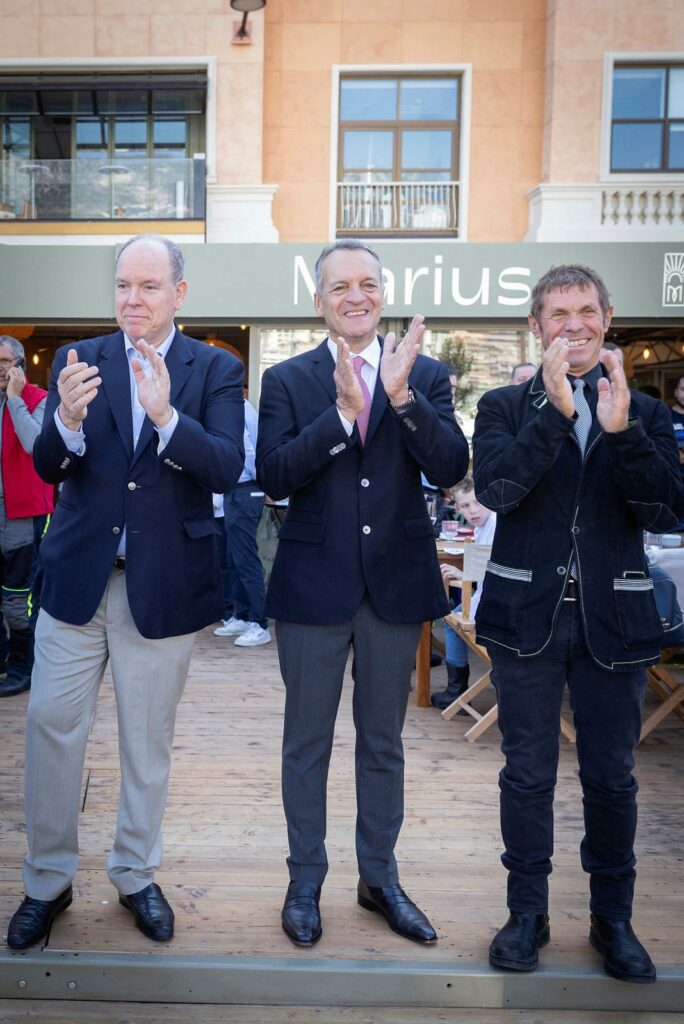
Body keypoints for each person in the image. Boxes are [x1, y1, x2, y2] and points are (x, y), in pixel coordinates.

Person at [7, 234, 245, 951]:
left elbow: (228, 468)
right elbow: (48, 465)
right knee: (50, 729)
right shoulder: (81, 359)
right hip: (77, 579)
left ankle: (135, 873)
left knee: (147, 743)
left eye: (147, 286)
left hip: (163, 586)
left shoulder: (215, 367)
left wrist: (169, 418)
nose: (131, 300)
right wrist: (68, 424)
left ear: (180, 292)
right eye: (122, 286)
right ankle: (47, 881)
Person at [472, 264, 684, 983]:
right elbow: (500, 489)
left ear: (608, 316)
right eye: (557, 312)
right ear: (537, 325)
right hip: (524, 618)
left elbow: (666, 514)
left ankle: (612, 920)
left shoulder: (647, 412)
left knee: (613, 780)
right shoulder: (504, 405)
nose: (574, 323)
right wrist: (554, 414)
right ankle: (526, 914)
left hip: (615, 621)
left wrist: (623, 435)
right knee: (526, 776)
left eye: (586, 310)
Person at [257, 239, 468, 948]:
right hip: (312, 589)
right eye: (340, 285)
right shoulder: (287, 379)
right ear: (318, 301)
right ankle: (304, 879)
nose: (355, 295)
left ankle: (379, 879)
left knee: (383, 743)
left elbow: (448, 464)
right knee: (306, 743)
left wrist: (401, 397)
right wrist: (343, 417)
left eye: (368, 283)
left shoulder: (428, 374)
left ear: (383, 293)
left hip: (396, 587)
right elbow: (276, 476)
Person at [0, 336, 53, 698]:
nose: (0, 368)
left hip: (22, 512)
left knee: (18, 600)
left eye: (4, 361)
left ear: (20, 365)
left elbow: (35, 444)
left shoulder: (41, 400)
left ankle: (23, 668)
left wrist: (15, 399)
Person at [430, 476, 496, 711]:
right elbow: (483, 570)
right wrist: (464, 572)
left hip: (492, 606)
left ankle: (456, 689)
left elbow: (485, 572)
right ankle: (456, 687)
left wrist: (463, 573)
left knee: (451, 618)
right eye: (465, 506)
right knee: (453, 613)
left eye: (477, 503)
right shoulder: (484, 527)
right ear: (457, 508)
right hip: (487, 598)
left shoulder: (495, 524)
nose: (473, 510)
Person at [215, 398, 270, 647]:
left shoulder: (237, 406)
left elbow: (249, 448)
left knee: (245, 558)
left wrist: (262, 482)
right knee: (232, 558)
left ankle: (260, 623)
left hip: (247, 488)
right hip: (233, 489)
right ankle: (242, 616)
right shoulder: (228, 406)